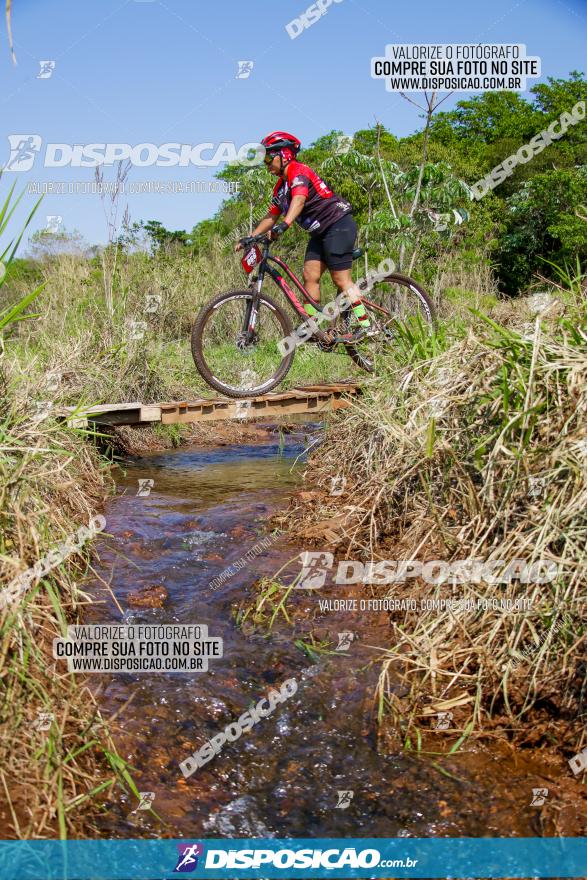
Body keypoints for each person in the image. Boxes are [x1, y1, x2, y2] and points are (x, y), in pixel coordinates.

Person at [235, 130, 371, 342]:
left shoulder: (299, 171)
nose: (266, 164)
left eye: (270, 158)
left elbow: (299, 200)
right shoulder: (280, 187)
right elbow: (271, 215)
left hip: (338, 224)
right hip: (319, 233)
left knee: (341, 279)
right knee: (310, 277)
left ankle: (367, 325)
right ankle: (315, 329)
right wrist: (250, 237)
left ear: (285, 155)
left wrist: (284, 225)